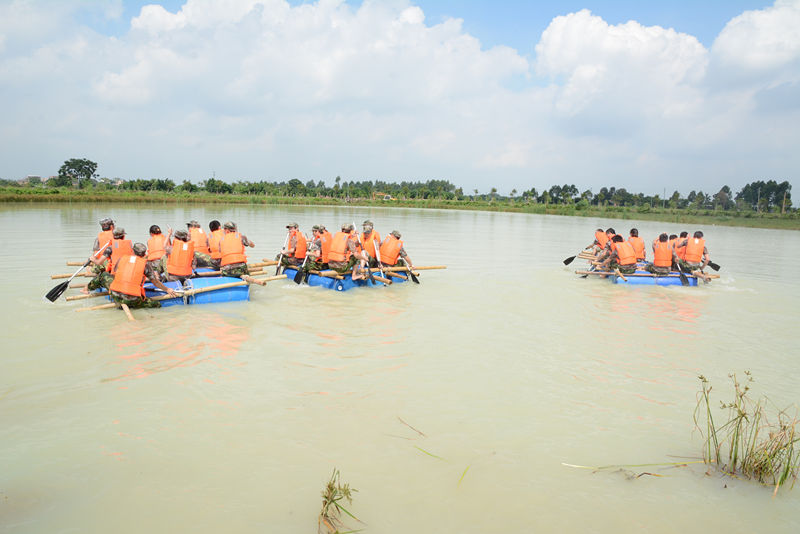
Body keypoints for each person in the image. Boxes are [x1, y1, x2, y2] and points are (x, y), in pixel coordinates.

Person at [109, 243, 177, 309]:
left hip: (115, 295)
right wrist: (167, 289)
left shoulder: (121, 258)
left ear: (132, 251)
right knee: (157, 304)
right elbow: (155, 282)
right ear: (144, 254)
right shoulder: (145, 264)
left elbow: (114, 274)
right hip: (132, 299)